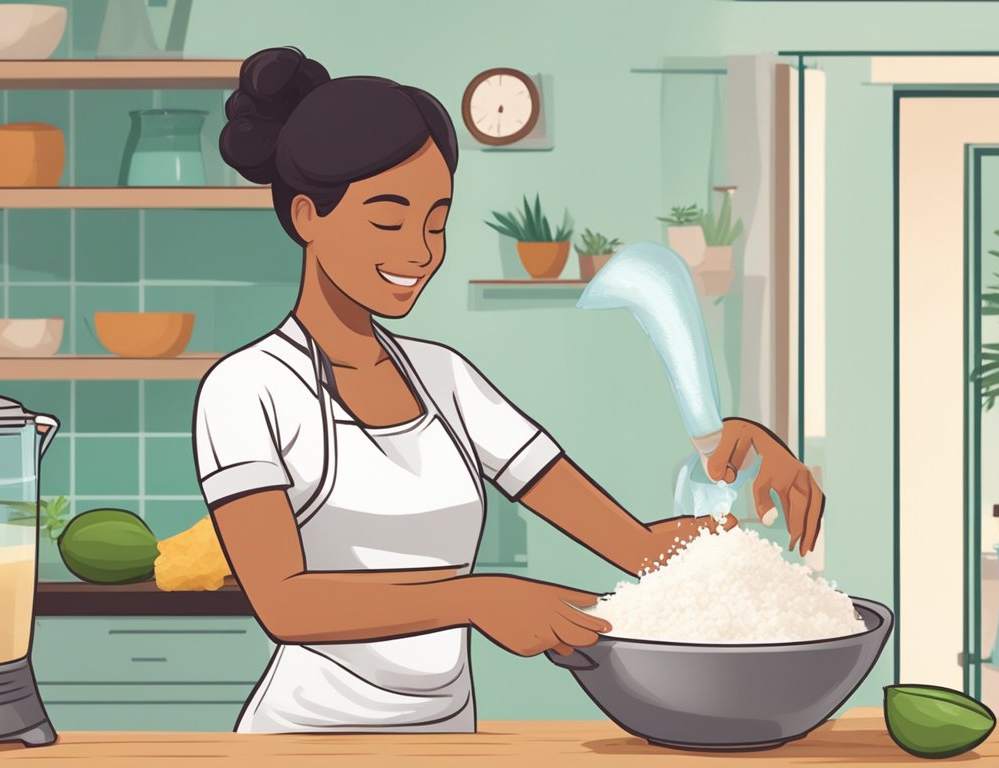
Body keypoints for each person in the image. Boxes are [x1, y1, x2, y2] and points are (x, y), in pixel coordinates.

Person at [195, 47, 824, 734]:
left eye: (436, 221)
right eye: (388, 219)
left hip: (448, 735)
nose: (421, 251)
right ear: (308, 217)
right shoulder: (248, 388)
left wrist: (730, 504)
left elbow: (637, 550)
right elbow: (283, 603)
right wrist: (478, 597)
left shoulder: (444, 379)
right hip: (303, 739)